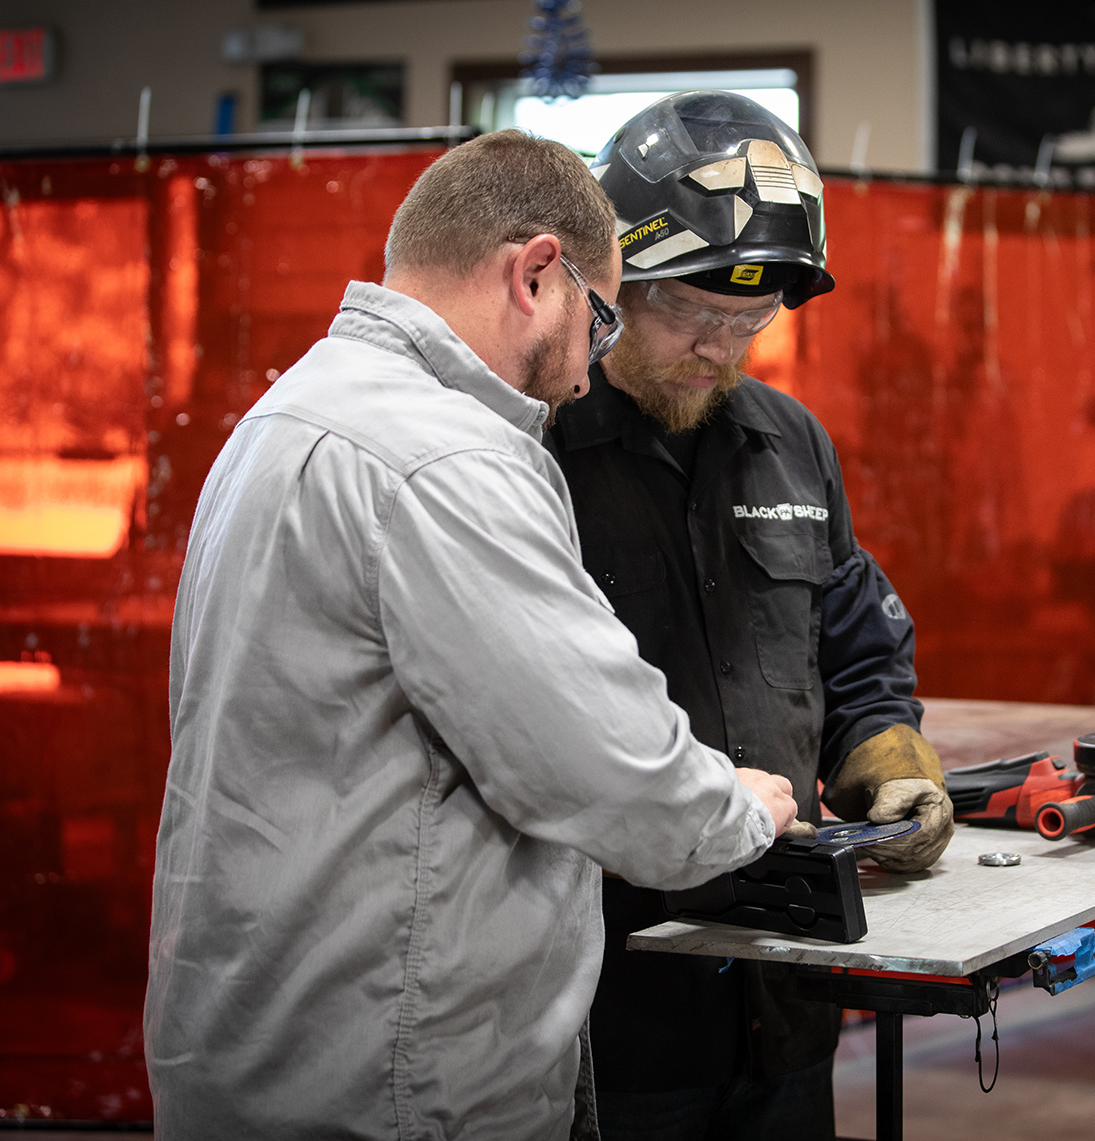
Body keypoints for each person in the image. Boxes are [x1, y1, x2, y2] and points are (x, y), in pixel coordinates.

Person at [144, 130, 801, 1140]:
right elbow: (604, 765)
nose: (590, 372)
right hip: (396, 1075)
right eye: (601, 316)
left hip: (257, 1037)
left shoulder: (286, 413)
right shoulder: (445, 460)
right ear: (537, 273)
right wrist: (740, 810)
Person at [543, 91, 955, 1139]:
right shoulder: (530, 455)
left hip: (785, 988)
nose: (719, 346)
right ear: (609, 282)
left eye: (750, 319)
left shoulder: (791, 443)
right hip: (608, 995)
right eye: (688, 310)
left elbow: (855, 644)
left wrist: (890, 760)